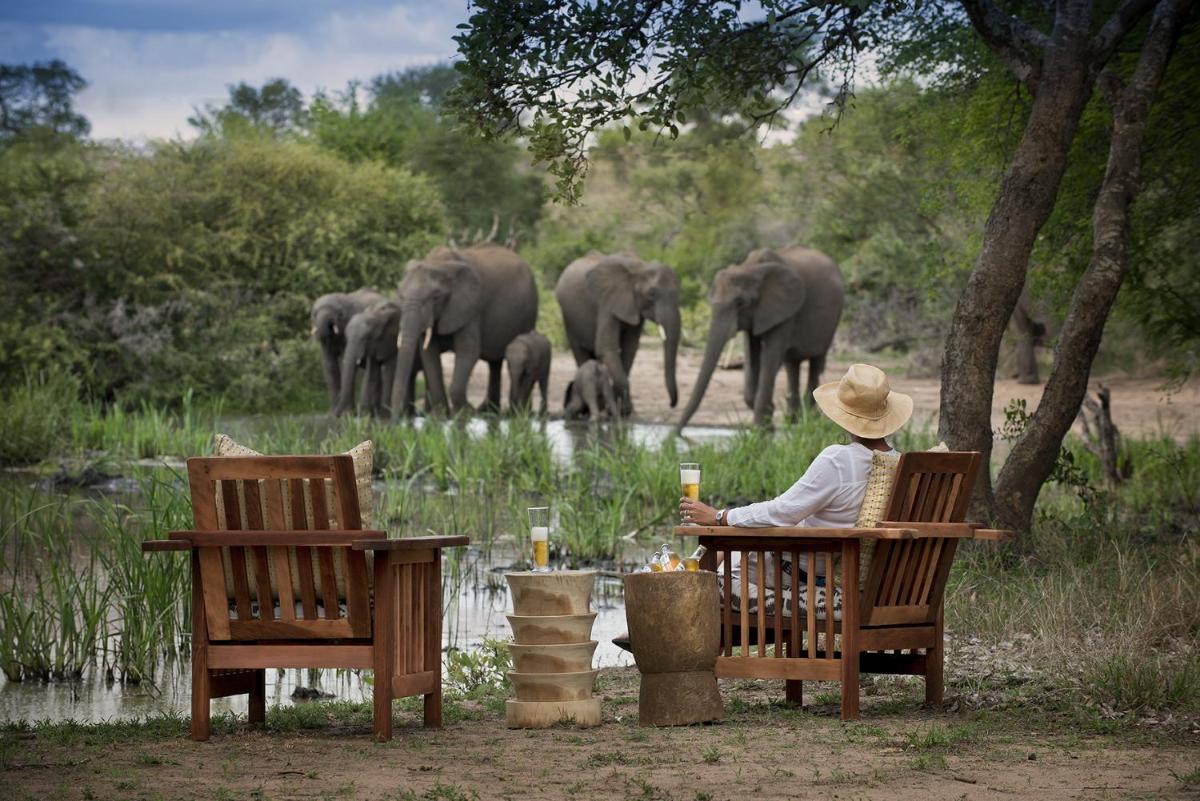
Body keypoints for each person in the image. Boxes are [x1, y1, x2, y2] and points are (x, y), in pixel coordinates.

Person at [614, 363, 912, 652]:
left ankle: (659, 636)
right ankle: (660, 634)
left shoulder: (838, 459)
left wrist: (720, 516)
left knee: (711, 565)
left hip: (804, 572)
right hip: (877, 584)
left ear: (843, 416)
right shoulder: (901, 466)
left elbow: (784, 511)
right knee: (718, 554)